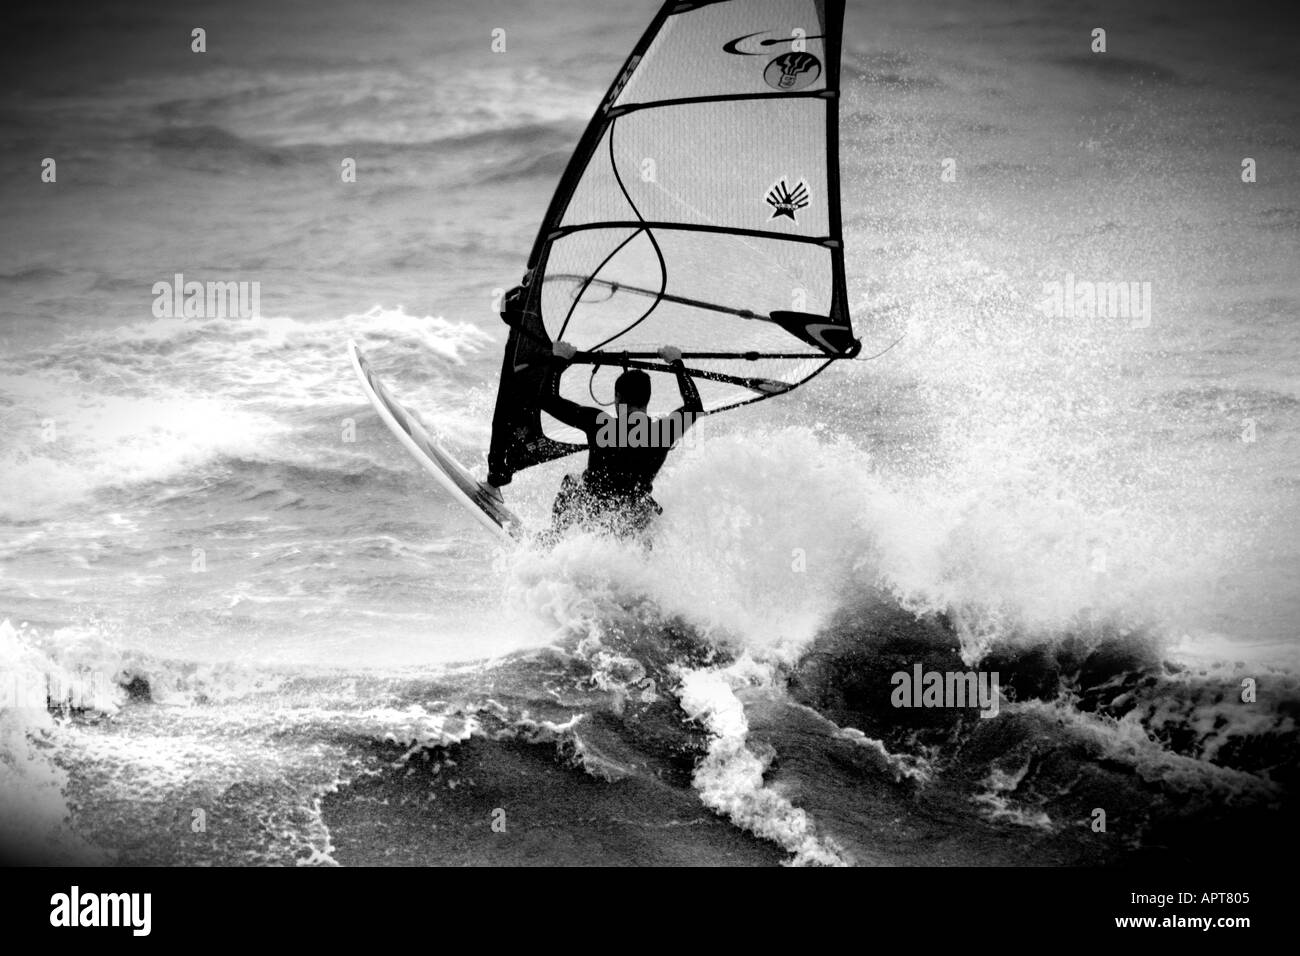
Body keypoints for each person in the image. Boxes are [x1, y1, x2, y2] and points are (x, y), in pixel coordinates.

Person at [539, 340, 702, 539]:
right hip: (630, 518)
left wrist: (559, 359)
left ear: (617, 397)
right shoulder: (663, 432)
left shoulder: (599, 423)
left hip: (593, 511)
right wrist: (677, 363)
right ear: (647, 399)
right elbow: (694, 405)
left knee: (571, 483)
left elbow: (547, 398)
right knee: (643, 508)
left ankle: (554, 538)